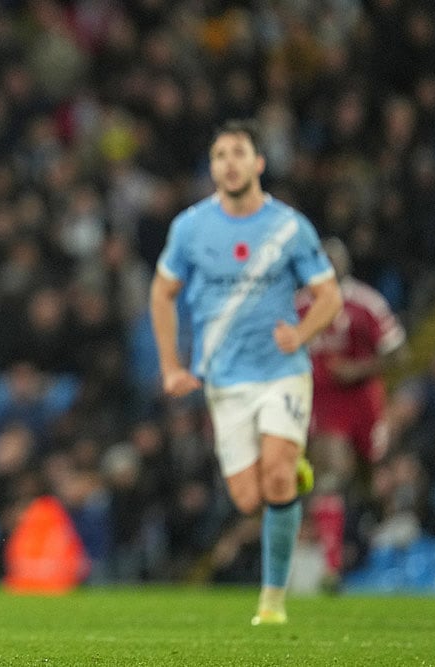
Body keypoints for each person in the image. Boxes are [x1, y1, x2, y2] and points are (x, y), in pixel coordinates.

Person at [149, 119, 342, 625]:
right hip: (224, 381)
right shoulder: (190, 228)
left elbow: (329, 295)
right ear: (212, 168)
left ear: (258, 162)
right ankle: (294, 471)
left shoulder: (289, 227)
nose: (229, 163)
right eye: (220, 155)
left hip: (281, 371)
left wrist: (301, 334)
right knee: (248, 497)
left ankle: (272, 602)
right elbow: (162, 293)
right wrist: (170, 366)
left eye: (238, 153)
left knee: (276, 479)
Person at [297, 237, 407, 588]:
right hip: (326, 407)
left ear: (345, 264)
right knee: (329, 475)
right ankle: (330, 567)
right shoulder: (299, 306)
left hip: (364, 405)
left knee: (370, 482)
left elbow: (399, 353)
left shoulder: (365, 303)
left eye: (333, 261)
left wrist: (357, 370)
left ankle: (385, 542)